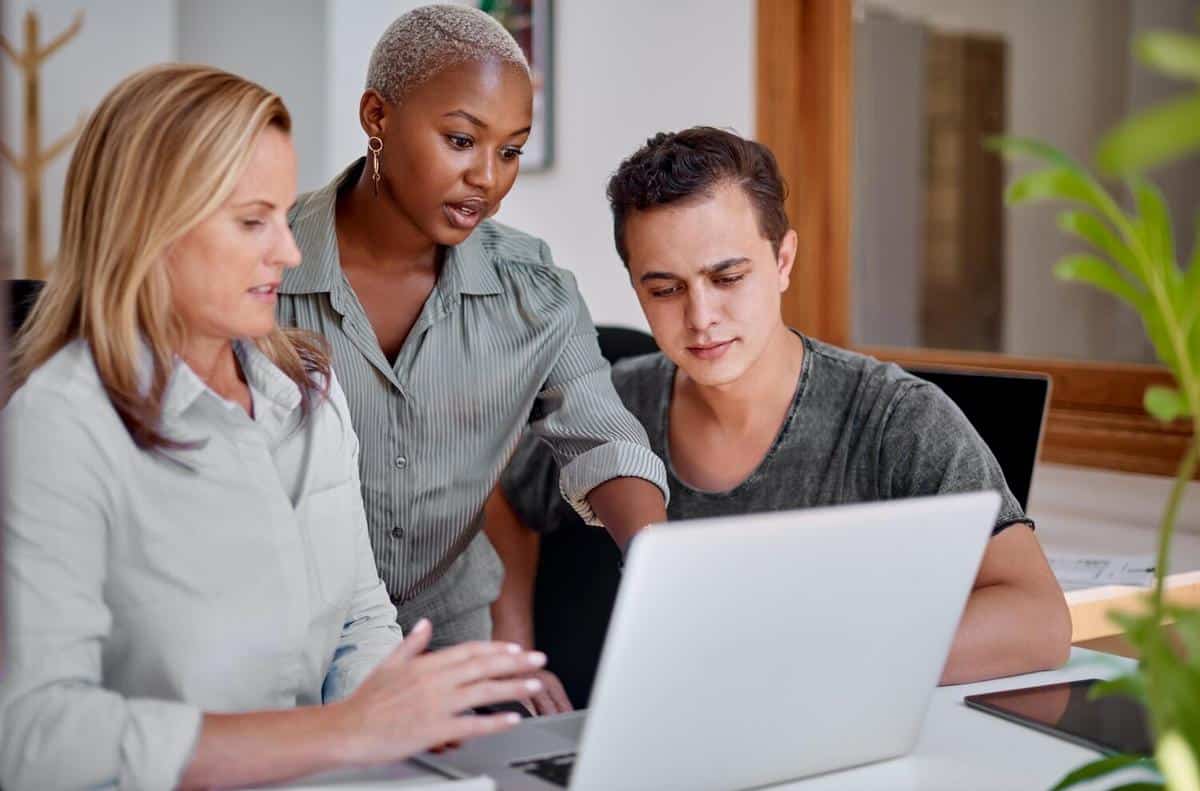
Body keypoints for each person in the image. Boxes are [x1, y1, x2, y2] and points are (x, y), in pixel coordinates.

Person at [0, 64, 547, 791]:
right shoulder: (61, 425)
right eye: (253, 221)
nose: (289, 253)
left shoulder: (308, 389)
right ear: (149, 228)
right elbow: (34, 736)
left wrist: (409, 720)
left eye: (285, 217)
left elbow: (359, 618)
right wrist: (343, 733)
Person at [492, 127, 1073, 695]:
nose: (701, 317)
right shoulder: (615, 403)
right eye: (665, 290)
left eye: (728, 277)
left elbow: (1038, 618)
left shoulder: (895, 419)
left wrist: (813, 667)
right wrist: (513, 651)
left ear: (783, 260)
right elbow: (504, 496)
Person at [277, 3, 668, 685]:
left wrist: (660, 566)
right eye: (461, 140)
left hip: (452, 640)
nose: (488, 177)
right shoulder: (263, 269)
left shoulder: (535, 289)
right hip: (285, 645)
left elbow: (604, 441)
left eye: (510, 151)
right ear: (376, 116)